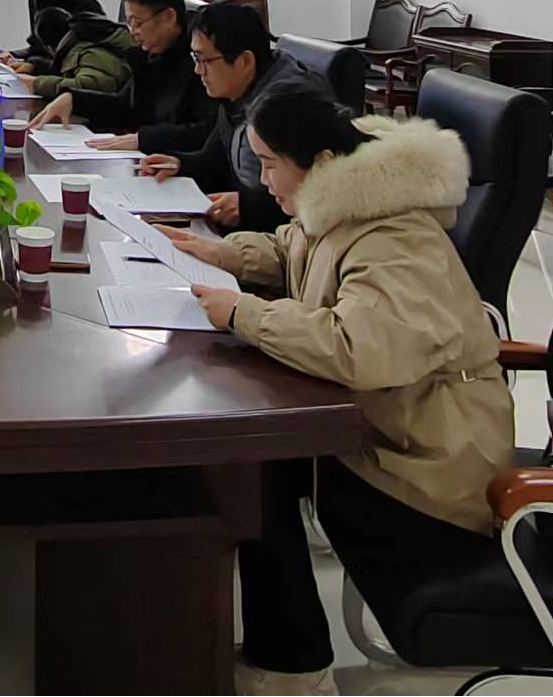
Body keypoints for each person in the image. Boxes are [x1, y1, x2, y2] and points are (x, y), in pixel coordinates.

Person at [158, 82, 512, 697]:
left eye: (270, 164)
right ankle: (274, 648)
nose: (263, 181)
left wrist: (245, 314)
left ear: (320, 161)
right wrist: (223, 256)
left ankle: (289, 666)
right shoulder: (345, 199)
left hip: (430, 466)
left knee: (255, 463)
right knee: (249, 455)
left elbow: (362, 347)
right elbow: (296, 251)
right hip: (389, 427)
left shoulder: (393, 234)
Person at [137, 1, 319, 232]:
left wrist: (248, 207)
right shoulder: (236, 94)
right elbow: (215, 161)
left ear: (245, 61)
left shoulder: (289, 107)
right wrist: (180, 165)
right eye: (195, 59)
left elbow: (312, 194)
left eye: (205, 60)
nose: (198, 70)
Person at [26, 0, 215, 151]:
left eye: (137, 23)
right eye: (129, 23)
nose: (132, 32)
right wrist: (73, 99)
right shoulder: (150, 56)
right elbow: (125, 106)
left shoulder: (203, 61)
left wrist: (143, 139)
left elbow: (206, 133)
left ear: (168, 17)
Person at [17, 6, 133, 98]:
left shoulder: (86, 52)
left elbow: (89, 86)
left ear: (49, 48)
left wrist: (37, 83)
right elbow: (69, 68)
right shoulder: (80, 39)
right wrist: (35, 67)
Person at [2, 0, 107, 74]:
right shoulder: (48, 8)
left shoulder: (84, 24)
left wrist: (34, 67)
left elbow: (72, 70)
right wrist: (14, 54)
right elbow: (39, 47)